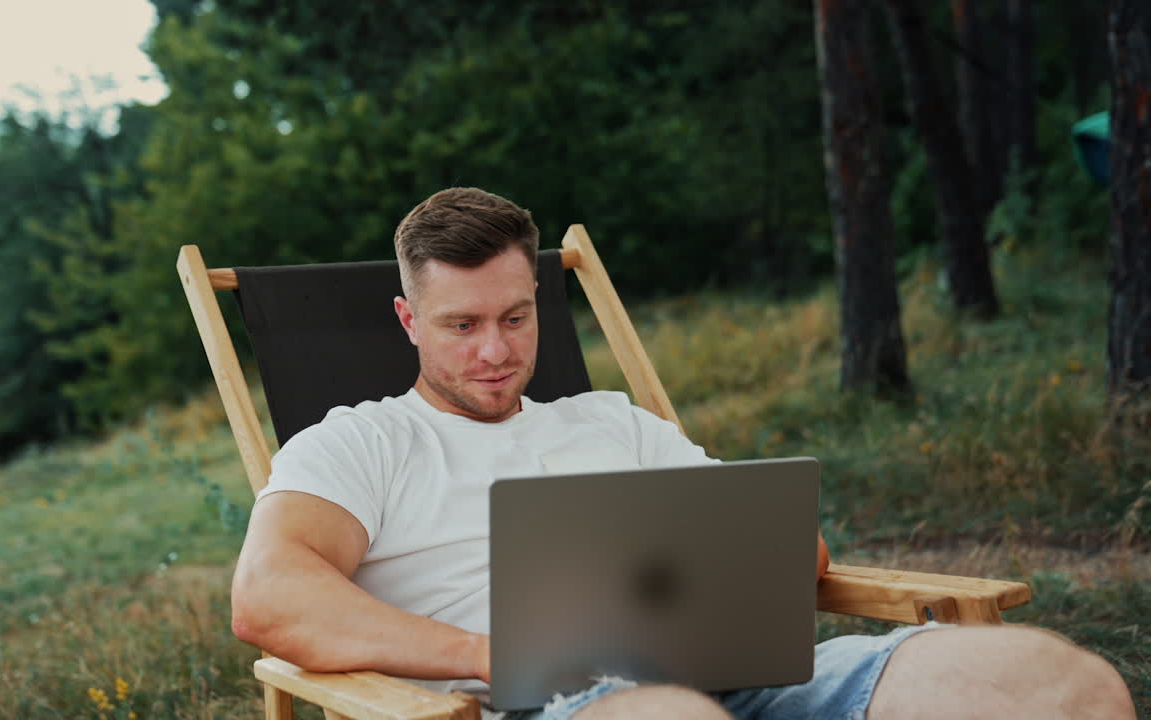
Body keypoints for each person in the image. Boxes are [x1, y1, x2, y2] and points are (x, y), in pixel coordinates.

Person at [230, 187, 1135, 719]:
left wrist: (779, 554)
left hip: (742, 682)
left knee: (1057, 682)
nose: (495, 351)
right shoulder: (361, 442)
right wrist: (483, 648)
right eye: (460, 326)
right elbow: (269, 597)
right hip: (559, 707)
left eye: (516, 316)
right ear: (407, 321)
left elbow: (787, 554)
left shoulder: (612, 422)